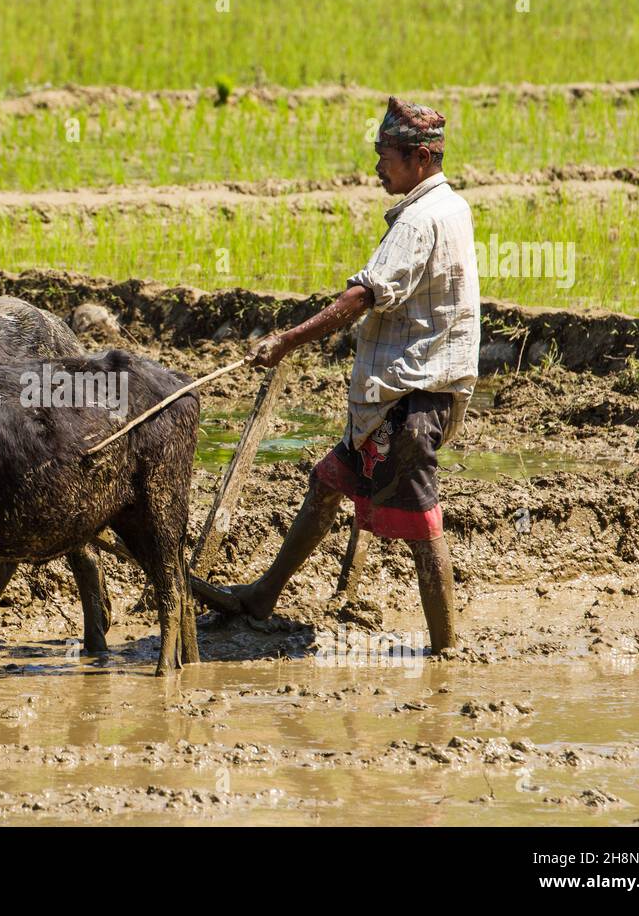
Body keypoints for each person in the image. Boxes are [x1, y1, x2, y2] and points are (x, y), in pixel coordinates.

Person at [193, 97, 480, 653]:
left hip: (412, 398)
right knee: (329, 484)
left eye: (385, 155)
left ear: (419, 158)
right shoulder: (452, 207)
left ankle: (446, 648)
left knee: (422, 525)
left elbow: (360, 298)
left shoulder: (419, 221)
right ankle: (263, 595)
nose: (376, 166)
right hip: (403, 394)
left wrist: (286, 340)